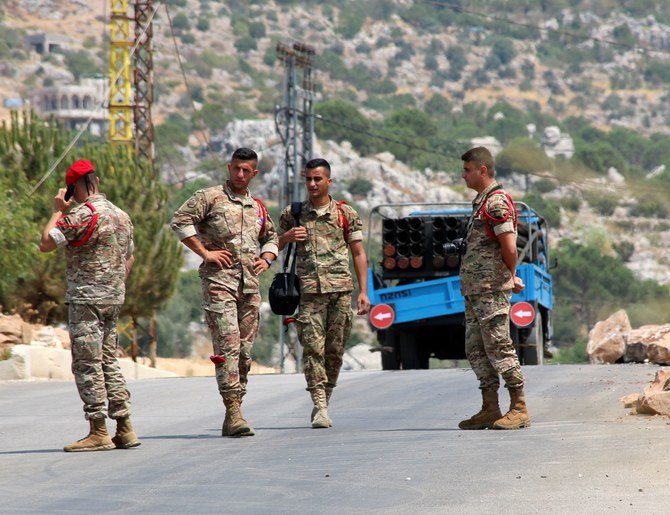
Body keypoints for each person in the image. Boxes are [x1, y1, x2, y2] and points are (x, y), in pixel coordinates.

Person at [171, 147, 278, 438]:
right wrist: (205, 253)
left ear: (254, 173)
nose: (240, 175)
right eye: (236, 169)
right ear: (229, 167)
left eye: (246, 171)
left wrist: (266, 259)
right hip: (219, 284)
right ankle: (233, 411)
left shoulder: (257, 207)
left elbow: (271, 236)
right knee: (228, 347)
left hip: (250, 288)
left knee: (244, 353)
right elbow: (180, 221)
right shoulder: (210, 197)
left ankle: (236, 408)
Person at [39, 159, 140, 452]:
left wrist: (59, 210)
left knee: (87, 363)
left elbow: (46, 242)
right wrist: (116, 283)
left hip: (86, 299)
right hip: (113, 297)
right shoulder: (122, 215)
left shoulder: (81, 215)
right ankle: (125, 427)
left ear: (75, 188)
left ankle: (98, 431)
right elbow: (130, 256)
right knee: (109, 360)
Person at [278, 158, 371, 429]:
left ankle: (325, 401)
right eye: (308, 179)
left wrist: (364, 292)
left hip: (341, 293)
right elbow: (271, 241)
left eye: (317, 179)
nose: (312, 184)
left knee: (334, 352)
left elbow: (358, 253)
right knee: (312, 350)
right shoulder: (293, 213)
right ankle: (319, 406)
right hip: (308, 294)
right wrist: (287, 238)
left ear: (329, 181)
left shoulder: (345, 213)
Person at [457, 146, 530, 430]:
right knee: (476, 349)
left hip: (491, 289)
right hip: (476, 290)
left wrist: (511, 275)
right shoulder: (482, 202)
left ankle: (519, 407)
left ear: (482, 170)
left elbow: (509, 246)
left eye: (467, 170)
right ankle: (490, 407)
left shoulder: (496, 203)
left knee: (499, 346)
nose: (463, 175)